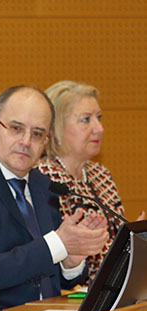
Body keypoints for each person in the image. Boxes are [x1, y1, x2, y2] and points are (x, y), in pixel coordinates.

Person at [0, 86, 108, 309]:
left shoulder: (43, 185)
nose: (26, 141)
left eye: (37, 134)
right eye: (16, 128)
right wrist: (59, 242)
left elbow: (51, 273)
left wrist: (71, 259)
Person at [36, 80, 146, 282]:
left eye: (99, 118)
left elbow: (112, 248)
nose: (99, 128)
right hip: (67, 293)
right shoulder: (42, 178)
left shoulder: (100, 173)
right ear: (55, 128)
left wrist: (135, 242)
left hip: (113, 287)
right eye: (86, 120)